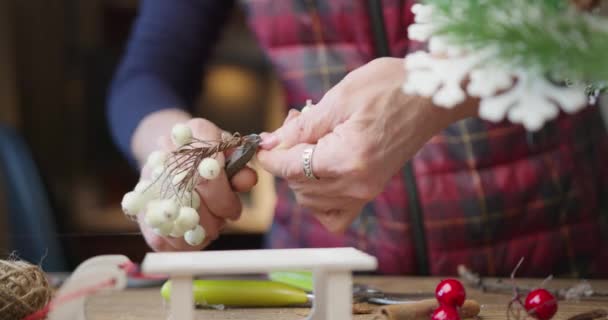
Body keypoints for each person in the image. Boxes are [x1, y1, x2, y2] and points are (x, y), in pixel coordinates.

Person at [108, 0, 608, 277]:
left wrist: (437, 85)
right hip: (322, 279)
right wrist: (166, 150)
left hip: (551, 263)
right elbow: (147, 73)